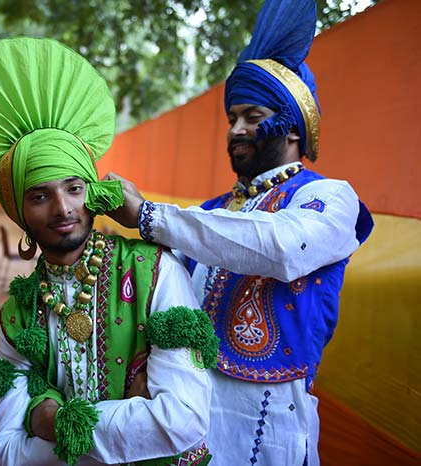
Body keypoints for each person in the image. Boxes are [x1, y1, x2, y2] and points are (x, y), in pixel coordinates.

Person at [103, 1, 374, 465]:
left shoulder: (332, 199)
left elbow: (281, 246)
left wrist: (149, 215)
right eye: (231, 119)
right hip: (188, 413)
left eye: (251, 115)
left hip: (268, 425)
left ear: (292, 126)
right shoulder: (210, 214)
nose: (235, 129)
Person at [0, 37, 218, 466]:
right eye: (40, 196)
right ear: (20, 212)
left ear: (91, 192)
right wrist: (130, 416)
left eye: (74, 188)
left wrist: (46, 419)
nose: (62, 208)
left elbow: (180, 422)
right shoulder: (20, 313)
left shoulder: (153, 272)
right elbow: (5, 453)